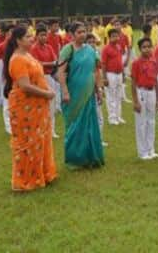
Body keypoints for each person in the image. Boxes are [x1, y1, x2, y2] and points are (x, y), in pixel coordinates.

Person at [2, 26, 57, 191]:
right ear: (18, 40)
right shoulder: (17, 59)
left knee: (40, 140)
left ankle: (42, 174)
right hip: (25, 107)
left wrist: (47, 91)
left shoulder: (27, 55)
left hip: (37, 106)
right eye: (28, 37)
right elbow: (25, 86)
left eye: (31, 36)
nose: (31, 39)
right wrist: (46, 94)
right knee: (28, 143)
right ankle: (24, 180)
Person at [57, 22, 105, 169]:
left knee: (91, 125)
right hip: (73, 94)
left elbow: (96, 71)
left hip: (89, 93)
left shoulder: (91, 50)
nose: (83, 34)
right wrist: (65, 91)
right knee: (74, 125)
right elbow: (61, 72)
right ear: (72, 34)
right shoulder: (68, 50)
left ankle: (91, 157)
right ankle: (75, 159)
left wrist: (99, 89)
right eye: (79, 32)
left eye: (84, 31)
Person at [131, 37, 158, 160]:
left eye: (149, 46)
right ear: (140, 49)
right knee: (141, 122)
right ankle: (142, 151)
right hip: (141, 92)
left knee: (151, 121)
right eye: (144, 47)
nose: (147, 49)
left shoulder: (154, 61)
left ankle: (151, 149)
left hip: (152, 91)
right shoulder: (136, 63)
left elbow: (156, 80)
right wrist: (135, 101)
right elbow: (133, 82)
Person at [31, 25, 60, 139]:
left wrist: (52, 64)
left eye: (45, 35)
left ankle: (51, 130)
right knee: (41, 105)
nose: (44, 37)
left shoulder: (49, 47)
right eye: (41, 35)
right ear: (37, 36)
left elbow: (55, 61)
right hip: (40, 77)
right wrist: (50, 63)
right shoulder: (34, 48)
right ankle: (40, 129)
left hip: (50, 76)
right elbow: (36, 63)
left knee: (51, 105)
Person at [101, 29, 125, 125]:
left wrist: (123, 74)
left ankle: (118, 116)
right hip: (110, 74)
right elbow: (103, 64)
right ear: (109, 37)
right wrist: (104, 77)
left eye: (117, 36)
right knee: (111, 96)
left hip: (119, 74)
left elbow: (120, 61)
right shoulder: (106, 49)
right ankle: (112, 117)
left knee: (118, 96)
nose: (116, 38)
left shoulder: (119, 47)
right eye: (113, 36)